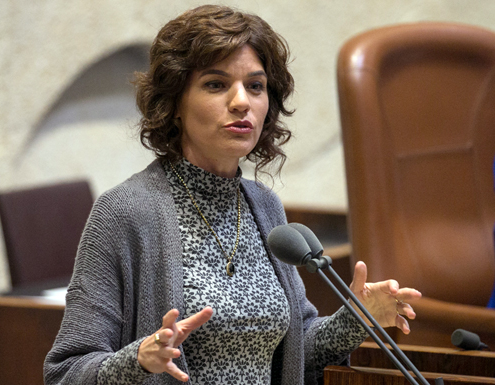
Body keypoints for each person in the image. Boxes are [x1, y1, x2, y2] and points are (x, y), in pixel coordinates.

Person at [44, 5, 421, 385]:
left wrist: (356, 317)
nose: (242, 101)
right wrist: (138, 360)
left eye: (255, 86)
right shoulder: (124, 212)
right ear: (174, 103)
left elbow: (294, 354)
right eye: (216, 84)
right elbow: (65, 372)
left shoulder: (265, 207)